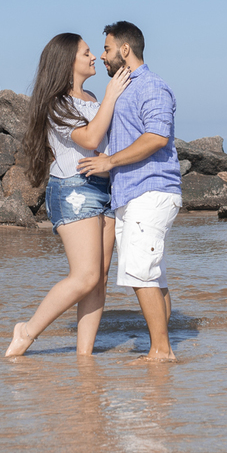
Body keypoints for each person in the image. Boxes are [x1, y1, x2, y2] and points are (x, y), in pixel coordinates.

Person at [4, 32, 131, 357]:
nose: (94, 58)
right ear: (67, 62)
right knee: (85, 275)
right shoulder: (57, 103)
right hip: (74, 189)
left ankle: (84, 355)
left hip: (105, 188)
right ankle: (27, 331)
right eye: (87, 52)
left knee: (98, 278)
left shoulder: (90, 96)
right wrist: (112, 96)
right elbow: (89, 138)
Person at [77, 21, 183, 363]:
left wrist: (110, 163)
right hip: (133, 194)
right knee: (153, 274)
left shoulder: (152, 86)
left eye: (106, 49)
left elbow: (156, 138)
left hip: (150, 190)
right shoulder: (126, 87)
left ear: (125, 50)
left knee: (141, 272)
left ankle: (160, 351)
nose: (103, 57)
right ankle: (161, 345)